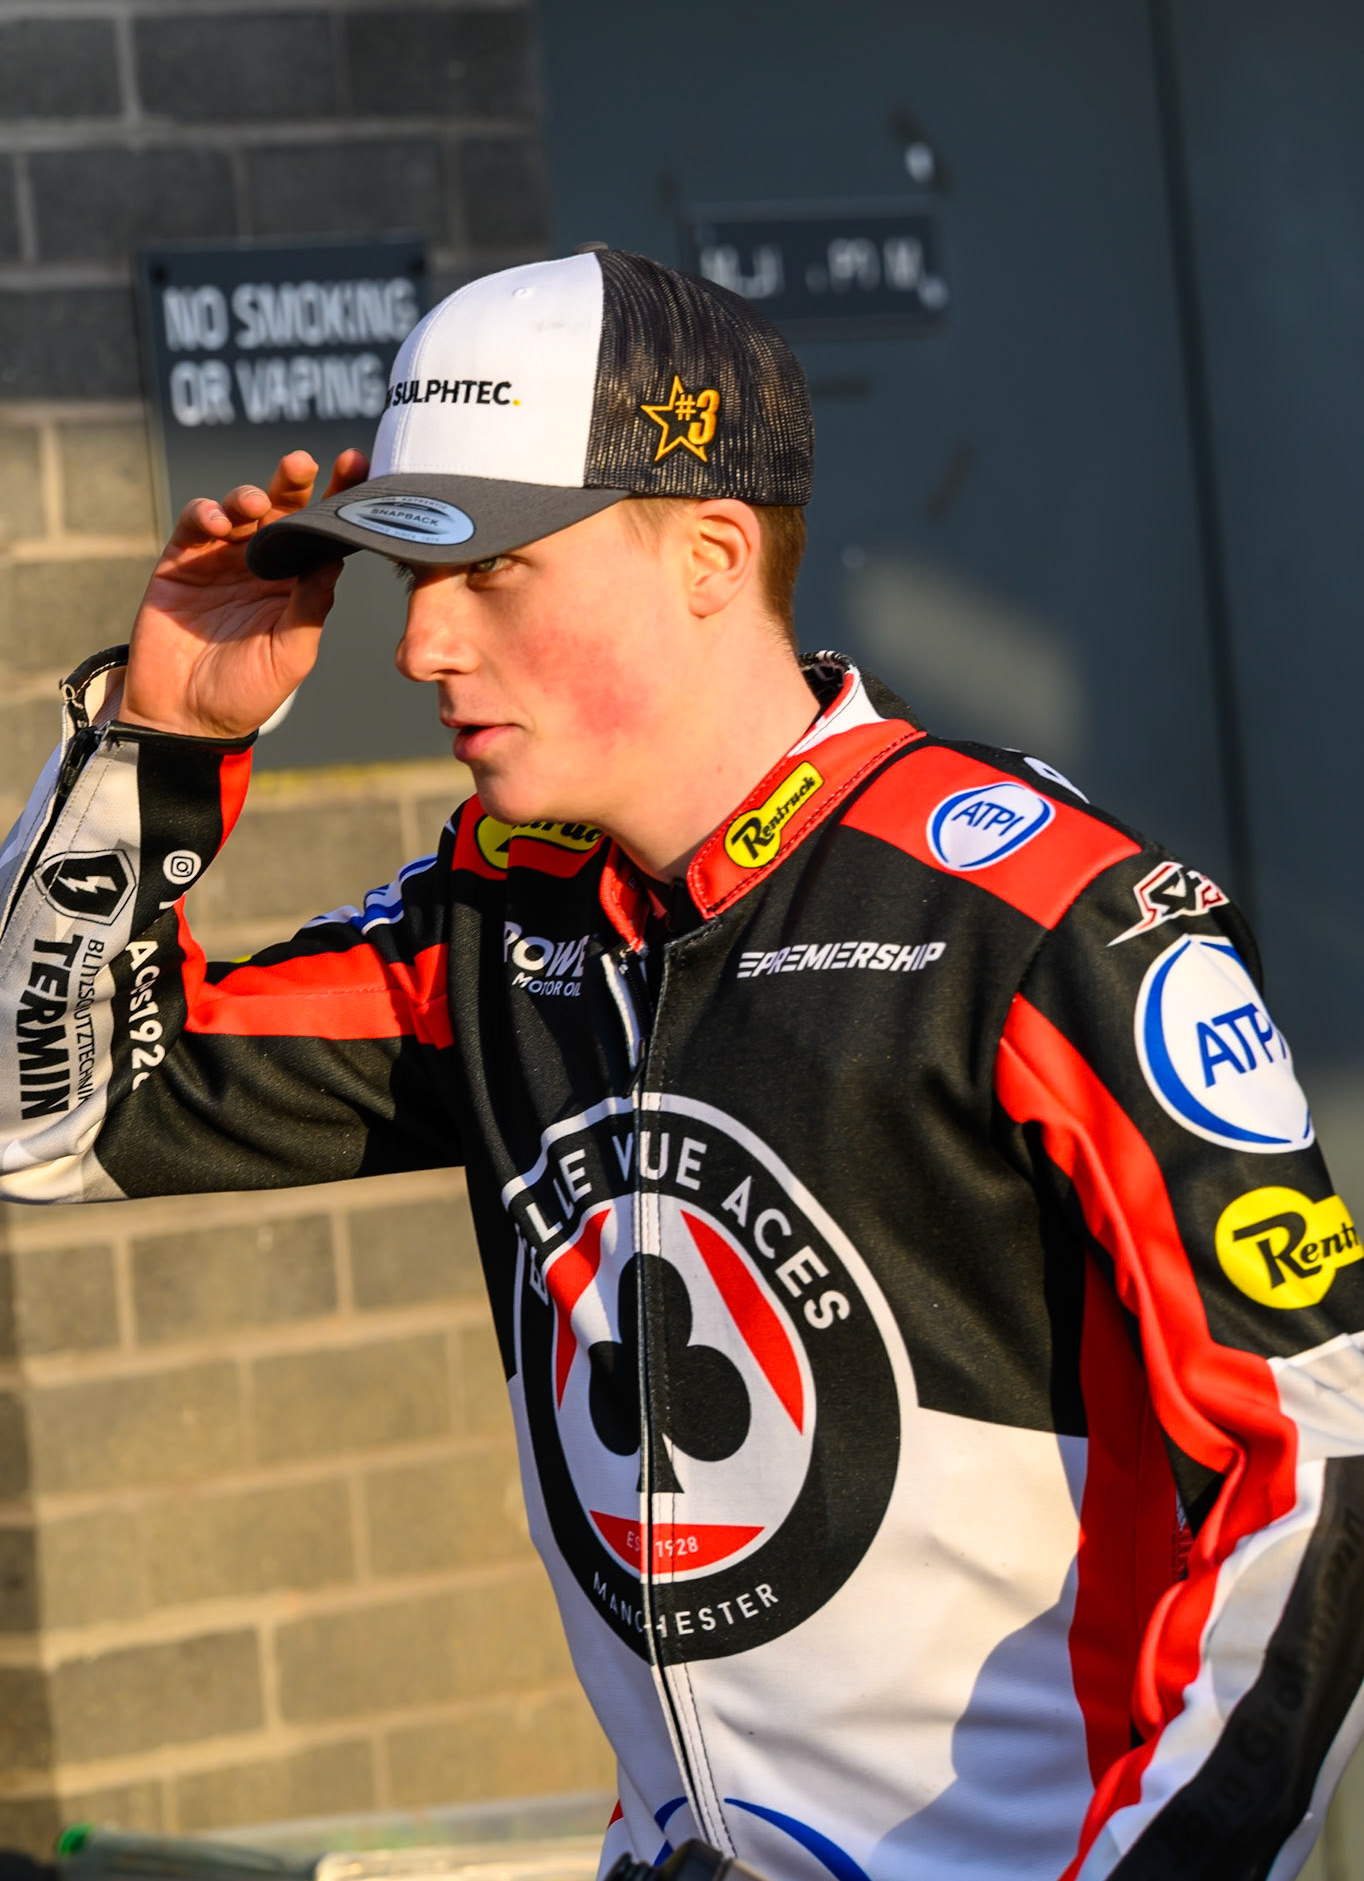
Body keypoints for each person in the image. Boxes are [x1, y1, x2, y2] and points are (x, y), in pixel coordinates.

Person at [1, 248, 1361, 1881]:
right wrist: (157, 744)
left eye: (489, 573)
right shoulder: (495, 931)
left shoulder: (1039, 919)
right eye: (409, 574)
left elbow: (1317, 1473)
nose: (421, 644)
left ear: (713, 553)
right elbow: (59, 1115)